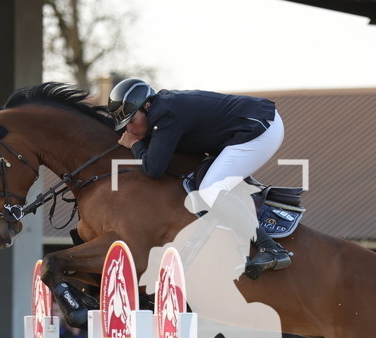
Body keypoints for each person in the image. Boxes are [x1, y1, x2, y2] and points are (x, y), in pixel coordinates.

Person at [107, 77, 292, 277]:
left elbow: (154, 169)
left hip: (260, 128)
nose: (129, 130)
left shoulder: (166, 115)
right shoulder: (162, 110)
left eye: (131, 120)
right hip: (250, 125)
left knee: (210, 190)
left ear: (148, 106)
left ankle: (271, 248)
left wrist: (135, 145)